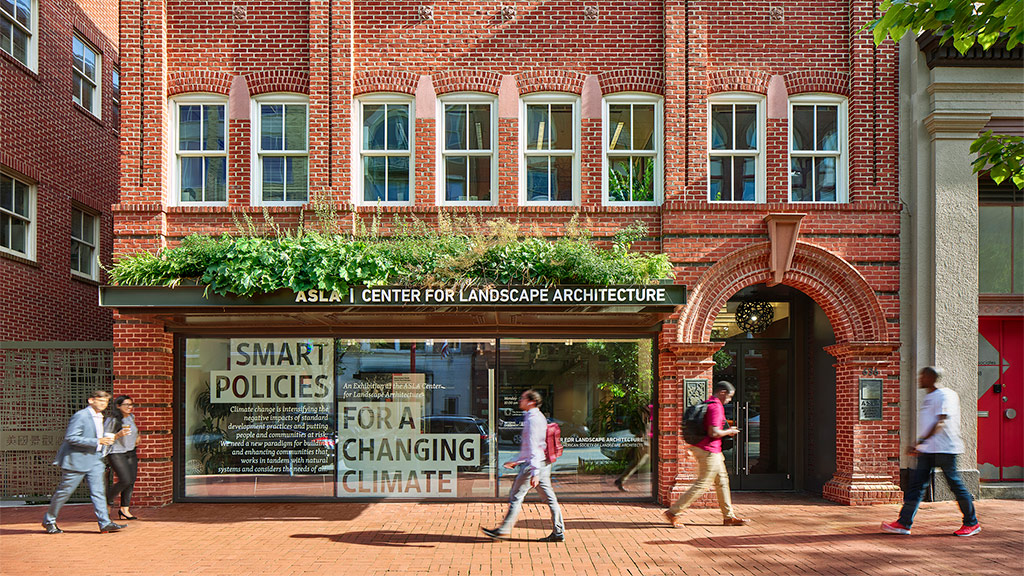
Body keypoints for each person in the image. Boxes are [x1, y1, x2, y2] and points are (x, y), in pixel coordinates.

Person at [882, 366, 980, 536]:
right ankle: (903, 523)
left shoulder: (945, 395)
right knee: (916, 486)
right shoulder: (930, 396)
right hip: (928, 450)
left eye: (923, 376)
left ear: (931, 377)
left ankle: (972, 523)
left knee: (955, 485)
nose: (919, 379)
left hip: (945, 449)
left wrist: (920, 441)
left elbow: (941, 422)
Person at [663, 381, 750, 527]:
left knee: (722, 482)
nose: (729, 400)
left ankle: (729, 517)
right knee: (702, 484)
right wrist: (730, 431)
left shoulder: (709, 403)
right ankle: (674, 512)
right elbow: (714, 432)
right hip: (709, 451)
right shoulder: (716, 407)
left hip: (709, 449)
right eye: (729, 397)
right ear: (722, 393)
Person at [482, 389, 565, 542]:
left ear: (531, 401)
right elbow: (531, 446)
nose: (520, 400)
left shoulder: (533, 419)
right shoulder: (537, 417)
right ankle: (558, 532)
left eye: (523, 398)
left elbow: (534, 447)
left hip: (533, 465)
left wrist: (534, 472)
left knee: (516, 497)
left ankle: (503, 530)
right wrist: (516, 460)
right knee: (550, 499)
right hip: (541, 463)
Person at [42, 390, 128, 534]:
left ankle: (105, 523)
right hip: (77, 460)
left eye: (105, 402)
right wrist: (97, 441)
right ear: (91, 400)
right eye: (100, 400)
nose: (103, 404)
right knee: (65, 492)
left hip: (95, 459)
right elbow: (71, 437)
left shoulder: (99, 417)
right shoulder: (81, 416)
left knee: (99, 493)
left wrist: (107, 439)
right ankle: (49, 520)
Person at [105, 395, 140, 520]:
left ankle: (124, 510)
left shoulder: (131, 417)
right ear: (118, 406)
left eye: (131, 405)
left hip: (131, 452)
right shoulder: (112, 420)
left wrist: (137, 437)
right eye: (126, 405)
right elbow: (106, 438)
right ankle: (106, 502)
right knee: (125, 479)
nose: (129, 407)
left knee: (131, 480)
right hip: (116, 452)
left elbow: (135, 431)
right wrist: (118, 435)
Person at [615, 404, 652, 492]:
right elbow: (634, 428)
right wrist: (640, 435)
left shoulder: (649, 412)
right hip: (644, 441)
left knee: (639, 462)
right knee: (639, 461)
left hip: (650, 440)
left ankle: (621, 480)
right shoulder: (640, 413)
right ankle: (621, 480)